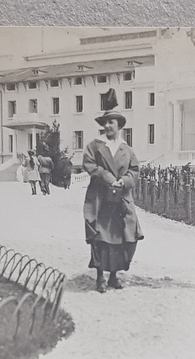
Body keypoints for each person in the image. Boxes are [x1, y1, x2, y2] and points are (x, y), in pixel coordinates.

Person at [82, 94, 143, 293]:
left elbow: (135, 170)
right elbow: (89, 164)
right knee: (100, 236)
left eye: (112, 122)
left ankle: (114, 276)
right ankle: (100, 276)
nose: (108, 126)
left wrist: (124, 181)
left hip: (121, 199)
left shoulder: (126, 149)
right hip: (100, 198)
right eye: (105, 122)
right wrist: (108, 178)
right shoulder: (95, 146)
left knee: (123, 236)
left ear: (119, 125)